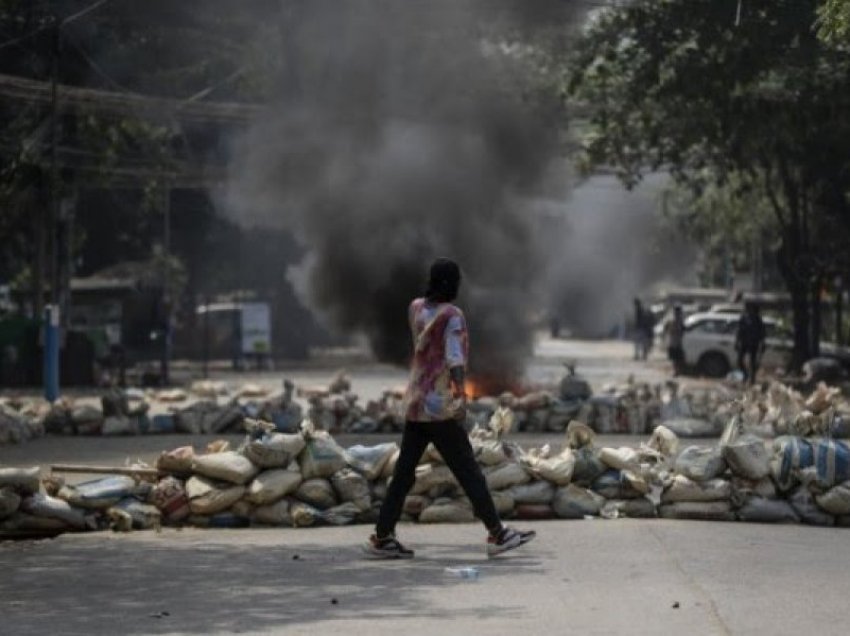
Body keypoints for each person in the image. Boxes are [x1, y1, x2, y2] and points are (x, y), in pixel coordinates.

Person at [364, 258, 536, 559]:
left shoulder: (415, 307)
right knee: (468, 470)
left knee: (404, 472)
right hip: (439, 407)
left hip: (416, 401)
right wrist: (460, 395)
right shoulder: (453, 316)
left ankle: (382, 536)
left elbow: (424, 346)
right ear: (452, 283)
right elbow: (454, 359)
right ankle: (498, 534)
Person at [735, 302, 766, 384]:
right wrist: (737, 342)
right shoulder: (744, 318)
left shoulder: (758, 319)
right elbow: (739, 331)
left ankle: (752, 378)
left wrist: (763, 343)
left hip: (754, 342)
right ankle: (745, 374)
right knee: (739, 361)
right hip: (744, 342)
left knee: (753, 361)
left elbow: (762, 332)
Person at [666, 305, 686, 376]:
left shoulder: (677, 320)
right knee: (676, 359)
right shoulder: (676, 320)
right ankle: (677, 371)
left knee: (676, 359)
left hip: (676, 342)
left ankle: (677, 371)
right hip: (676, 342)